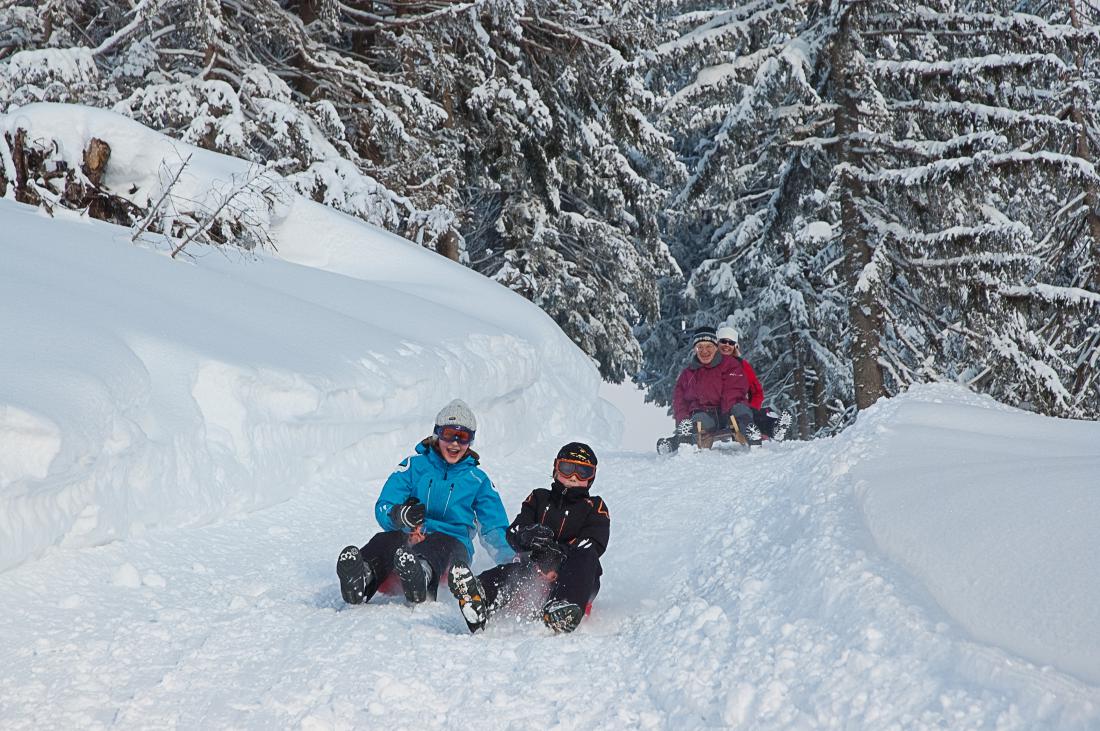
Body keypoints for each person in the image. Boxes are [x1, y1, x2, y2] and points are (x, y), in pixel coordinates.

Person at [336, 399, 513, 606]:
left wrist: (512, 561)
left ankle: (422, 575)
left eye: (463, 437)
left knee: (440, 543)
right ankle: (364, 576)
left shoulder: (477, 480)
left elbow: (494, 528)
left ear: (470, 442)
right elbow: (385, 503)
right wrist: (399, 515)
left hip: (452, 548)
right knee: (386, 540)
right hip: (411, 541)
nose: (455, 443)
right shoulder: (415, 466)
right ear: (438, 434)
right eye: (449, 435)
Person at [446, 442, 610, 634]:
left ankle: (563, 608)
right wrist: (526, 535)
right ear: (556, 469)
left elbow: (593, 542)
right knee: (511, 572)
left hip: (578, 578)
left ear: (591, 477)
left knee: (586, 556)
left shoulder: (595, 506)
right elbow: (514, 531)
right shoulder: (539, 498)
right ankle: (479, 597)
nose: (574, 477)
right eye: (567, 469)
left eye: (583, 472)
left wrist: (558, 558)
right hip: (536, 572)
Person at [671, 325, 739, 447]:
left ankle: (773, 429)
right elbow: (679, 402)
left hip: (726, 414)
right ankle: (683, 440)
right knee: (698, 423)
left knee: (745, 414)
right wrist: (683, 420)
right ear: (695, 350)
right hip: (702, 415)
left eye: (709, 346)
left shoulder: (727, 367)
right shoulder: (688, 374)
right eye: (699, 347)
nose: (704, 351)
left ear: (716, 348)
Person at [715, 325, 783, 441]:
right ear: (717, 344)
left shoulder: (742, 366)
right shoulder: (709, 366)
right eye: (723, 341)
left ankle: (774, 428)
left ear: (735, 346)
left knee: (757, 414)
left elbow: (757, 391)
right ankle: (752, 433)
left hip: (738, 408)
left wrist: (752, 407)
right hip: (716, 411)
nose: (727, 345)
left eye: (731, 343)